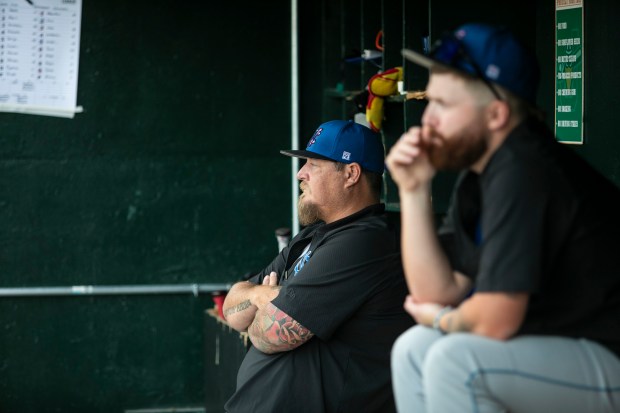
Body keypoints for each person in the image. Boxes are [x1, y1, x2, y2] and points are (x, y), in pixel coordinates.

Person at [386, 23, 620, 412]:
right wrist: (411, 190)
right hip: (567, 347)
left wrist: (444, 320)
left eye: (443, 104)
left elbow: (496, 321)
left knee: (456, 362)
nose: (427, 119)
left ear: (496, 114)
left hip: (608, 352)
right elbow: (437, 292)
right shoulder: (479, 175)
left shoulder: (524, 166)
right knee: (412, 349)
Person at [222, 120, 413, 413]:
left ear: (351, 173)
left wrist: (261, 307)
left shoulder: (364, 241)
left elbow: (269, 336)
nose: (301, 174)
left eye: (313, 164)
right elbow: (231, 311)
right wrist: (259, 296)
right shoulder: (312, 235)